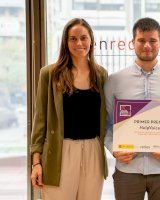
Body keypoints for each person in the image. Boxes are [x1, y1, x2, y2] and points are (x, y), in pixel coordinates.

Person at [104, 17, 160, 200]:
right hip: (127, 170)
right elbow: (106, 123)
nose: (147, 46)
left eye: (152, 40)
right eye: (141, 40)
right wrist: (113, 149)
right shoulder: (114, 80)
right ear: (132, 43)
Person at [30, 18, 108, 200]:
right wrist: (36, 163)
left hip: (93, 151)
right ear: (65, 42)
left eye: (83, 38)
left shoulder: (101, 75)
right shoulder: (49, 74)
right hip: (60, 151)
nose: (79, 43)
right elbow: (40, 120)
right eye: (72, 38)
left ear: (91, 41)